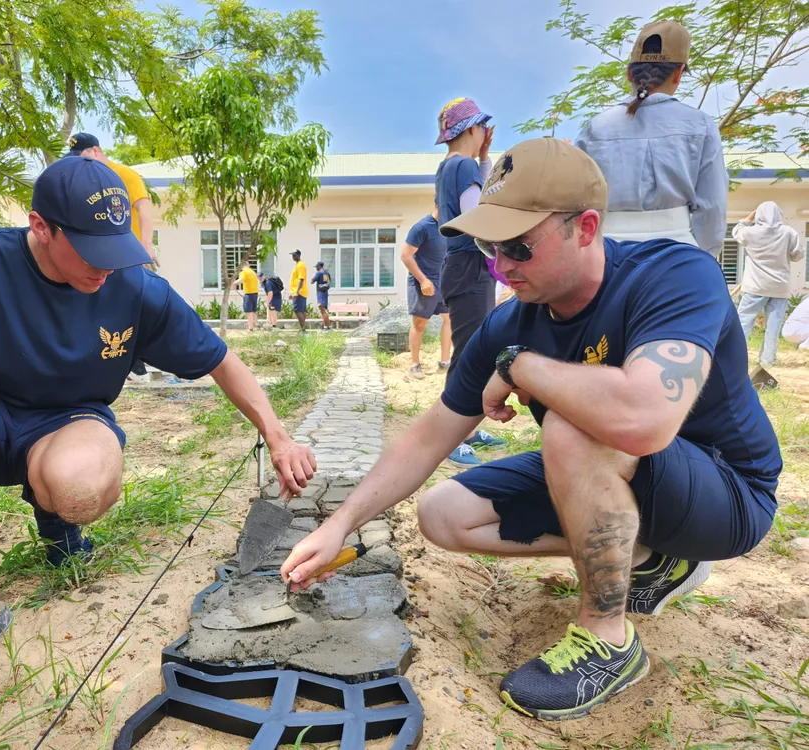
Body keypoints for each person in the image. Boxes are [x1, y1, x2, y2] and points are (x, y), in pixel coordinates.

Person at [281, 137, 781, 721]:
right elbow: (428, 435)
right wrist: (340, 524)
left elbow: (643, 420)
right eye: (490, 248)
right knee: (443, 515)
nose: (502, 266)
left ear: (586, 228)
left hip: (728, 492)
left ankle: (608, 640)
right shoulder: (511, 322)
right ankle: (648, 552)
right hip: (631, 480)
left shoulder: (674, 274)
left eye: (519, 245)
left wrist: (521, 367)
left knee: (571, 426)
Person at [0, 156, 317, 612]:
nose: (105, 268)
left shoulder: (136, 289)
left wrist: (278, 438)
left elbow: (221, 360)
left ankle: (58, 522)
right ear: (41, 227)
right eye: (90, 250)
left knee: (80, 488)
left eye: (114, 249)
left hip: (70, 422)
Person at [574, 20, 728, 255]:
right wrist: (704, 258)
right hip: (677, 253)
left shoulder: (595, 127)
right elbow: (712, 207)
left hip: (604, 252)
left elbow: (576, 200)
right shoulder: (701, 125)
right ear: (678, 73)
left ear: (629, 74)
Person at [434, 97, 506, 465]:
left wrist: (483, 160)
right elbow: (476, 217)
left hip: (460, 265)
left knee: (471, 349)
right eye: (482, 129)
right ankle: (451, 438)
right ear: (473, 129)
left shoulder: (450, 166)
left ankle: (468, 429)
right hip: (469, 264)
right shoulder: (463, 166)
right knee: (466, 355)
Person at [67, 133, 160, 384]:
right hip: (105, 255)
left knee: (137, 306)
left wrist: (147, 246)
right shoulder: (87, 178)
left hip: (130, 254)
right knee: (107, 309)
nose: (80, 162)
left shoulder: (125, 175)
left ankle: (140, 365)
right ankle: (116, 364)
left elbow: (144, 210)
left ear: (95, 151)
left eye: (83, 156)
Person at [733, 202, 804, 370]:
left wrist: (751, 214)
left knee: (743, 322)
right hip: (780, 287)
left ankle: (734, 357)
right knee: (774, 325)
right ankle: (767, 361)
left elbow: (736, 231)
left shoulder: (750, 233)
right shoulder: (788, 232)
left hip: (755, 286)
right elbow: (797, 256)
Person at [401, 203, 452, 379]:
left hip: (444, 282)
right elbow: (405, 255)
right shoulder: (422, 227)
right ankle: (415, 365)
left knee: (449, 319)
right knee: (420, 323)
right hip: (424, 283)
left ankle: (445, 362)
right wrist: (423, 280)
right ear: (440, 203)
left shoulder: (450, 228)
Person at [235, 260, 260, 331]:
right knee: (254, 310)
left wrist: (232, 283)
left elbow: (240, 281)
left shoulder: (244, 272)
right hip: (255, 293)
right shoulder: (253, 272)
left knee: (249, 311)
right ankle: (256, 325)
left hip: (248, 294)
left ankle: (251, 327)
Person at [289, 249, 309, 332]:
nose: (293, 257)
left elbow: (301, 279)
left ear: (299, 255)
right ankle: (302, 328)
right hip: (297, 291)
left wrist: (296, 292)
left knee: (297, 310)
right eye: (292, 255)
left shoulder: (301, 265)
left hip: (300, 292)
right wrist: (292, 292)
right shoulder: (298, 265)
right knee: (301, 311)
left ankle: (303, 329)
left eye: (295, 255)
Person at [311, 261, 332, 330]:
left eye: (316, 267)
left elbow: (312, 281)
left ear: (319, 266)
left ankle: (326, 326)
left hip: (320, 293)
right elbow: (330, 281)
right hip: (325, 293)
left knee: (323, 311)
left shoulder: (319, 273)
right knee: (324, 310)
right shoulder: (326, 272)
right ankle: (327, 325)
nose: (316, 268)